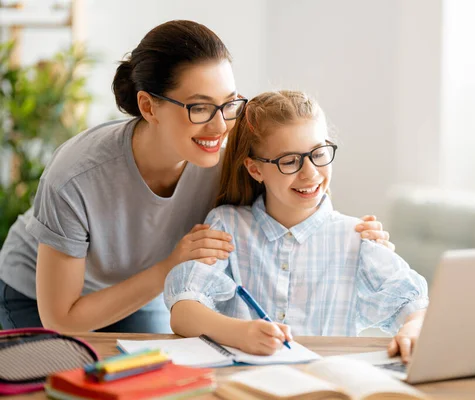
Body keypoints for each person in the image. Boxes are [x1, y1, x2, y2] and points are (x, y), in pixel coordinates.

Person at [0, 21, 392, 333]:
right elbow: (62, 318)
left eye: (229, 104)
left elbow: (296, 190)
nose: (220, 126)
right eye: (201, 108)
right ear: (148, 106)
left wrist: (354, 236)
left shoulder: (227, 162)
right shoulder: (77, 174)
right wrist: (169, 266)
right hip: (35, 298)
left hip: (143, 293)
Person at [164, 90, 429, 363]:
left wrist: (413, 329)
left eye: (318, 153)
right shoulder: (228, 226)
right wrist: (240, 333)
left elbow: (415, 306)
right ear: (255, 170)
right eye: (290, 161)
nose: (310, 172)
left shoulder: (356, 237)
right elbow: (184, 311)